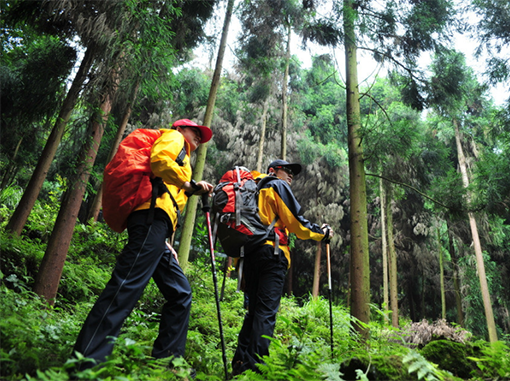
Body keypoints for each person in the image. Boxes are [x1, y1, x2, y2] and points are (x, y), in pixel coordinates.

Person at [72, 119, 214, 372]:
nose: (199, 138)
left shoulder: (184, 155)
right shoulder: (174, 138)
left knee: (180, 293)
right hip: (151, 220)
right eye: (196, 132)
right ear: (180, 128)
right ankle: (86, 363)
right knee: (126, 284)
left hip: (157, 228)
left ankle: (169, 361)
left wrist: (165, 240)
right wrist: (188, 185)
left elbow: (168, 194)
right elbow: (159, 162)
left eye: (201, 137)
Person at [231, 159, 334, 375]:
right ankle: (256, 369)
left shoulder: (251, 187)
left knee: (253, 312)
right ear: (273, 171)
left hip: (249, 255)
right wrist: (321, 233)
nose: (290, 176)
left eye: (292, 174)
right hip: (272, 254)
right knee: (266, 312)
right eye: (286, 171)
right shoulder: (275, 185)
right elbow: (295, 222)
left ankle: (240, 364)